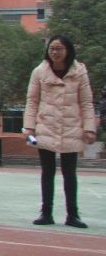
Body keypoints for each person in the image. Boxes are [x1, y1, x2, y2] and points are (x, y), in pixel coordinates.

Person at [24, 35, 96, 228]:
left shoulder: (79, 72)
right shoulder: (39, 72)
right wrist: (29, 127)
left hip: (71, 127)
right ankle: (46, 213)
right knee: (47, 172)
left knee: (69, 172)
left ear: (68, 51)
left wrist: (89, 128)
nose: (55, 52)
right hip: (46, 126)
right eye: (52, 48)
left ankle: (73, 214)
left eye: (59, 48)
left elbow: (86, 102)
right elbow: (32, 101)